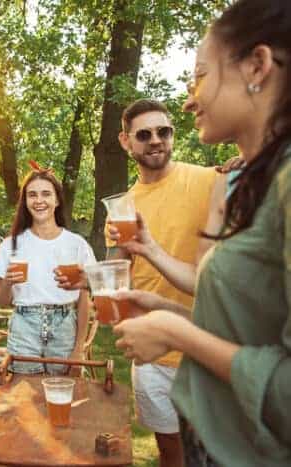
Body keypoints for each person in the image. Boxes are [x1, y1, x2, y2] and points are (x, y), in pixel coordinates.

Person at [114, 1, 291, 465]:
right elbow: (258, 333)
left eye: (200, 76)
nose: (191, 98)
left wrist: (176, 332)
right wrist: (163, 307)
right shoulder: (260, 181)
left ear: (258, 66)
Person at [106, 98, 220, 467]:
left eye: (164, 131)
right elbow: (116, 273)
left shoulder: (209, 180)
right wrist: (117, 254)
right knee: (170, 449)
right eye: (144, 134)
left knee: (212, 448)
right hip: (152, 349)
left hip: (204, 341)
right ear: (126, 141)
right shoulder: (124, 205)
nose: (156, 140)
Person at [0, 165, 94, 376]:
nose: (39, 201)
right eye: (32, 195)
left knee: (65, 394)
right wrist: (8, 283)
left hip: (65, 327)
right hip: (24, 328)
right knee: (25, 397)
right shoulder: (11, 245)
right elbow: (1, 301)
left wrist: (78, 349)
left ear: (57, 200)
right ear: (25, 202)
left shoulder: (76, 244)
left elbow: (84, 300)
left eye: (46, 194)